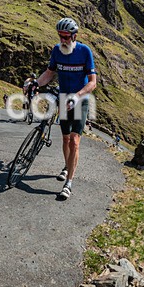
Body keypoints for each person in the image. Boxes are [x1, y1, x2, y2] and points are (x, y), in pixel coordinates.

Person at [36, 17, 97, 200]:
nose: (63, 40)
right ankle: (66, 166)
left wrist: (77, 96)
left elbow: (93, 82)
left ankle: (68, 183)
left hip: (80, 99)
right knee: (64, 139)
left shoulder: (84, 51)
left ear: (74, 36)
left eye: (66, 37)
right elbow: (49, 73)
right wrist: (35, 84)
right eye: (60, 36)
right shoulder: (56, 50)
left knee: (74, 141)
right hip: (63, 99)